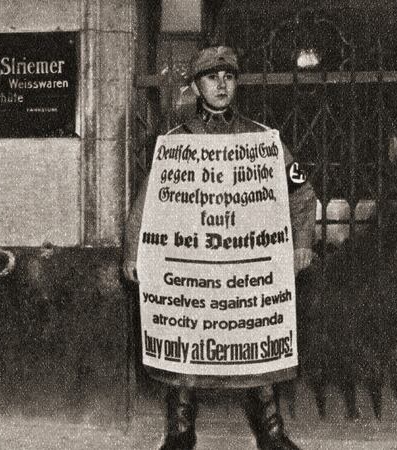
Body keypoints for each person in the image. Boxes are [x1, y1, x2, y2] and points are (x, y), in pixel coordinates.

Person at [122, 46, 316, 450]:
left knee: (259, 333)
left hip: (247, 263)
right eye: (212, 77)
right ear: (197, 86)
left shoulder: (263, 141)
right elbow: (147, 201)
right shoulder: (176, 143)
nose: (221, 84)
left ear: (237, 83)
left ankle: (271, 432)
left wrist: (302, 243)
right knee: (183, 332)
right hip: (195, 265)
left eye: (228, 76)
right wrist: (132, 252)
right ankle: (179, 431)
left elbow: (300, 194)